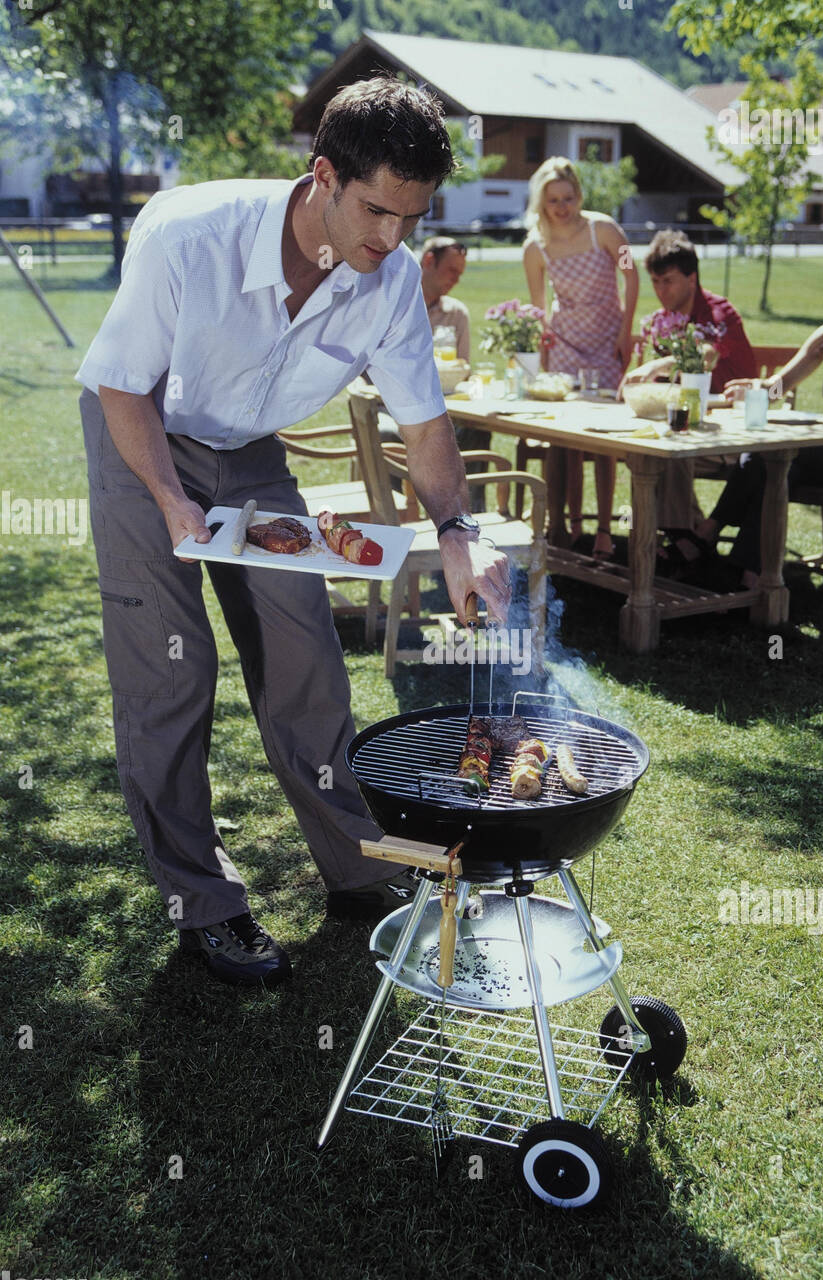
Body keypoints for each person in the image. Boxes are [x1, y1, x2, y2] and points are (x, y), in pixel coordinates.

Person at [75, 77, 511, 989]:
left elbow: (424, 427)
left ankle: (356, 867)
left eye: (412, 218)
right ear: (322, 175)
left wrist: (459, 531)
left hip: (248, 447)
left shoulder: (388, 279)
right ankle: (203, 902)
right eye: (376, 211)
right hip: (142, 435)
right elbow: (122, 386)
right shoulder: (187, 235)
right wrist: (168, 502)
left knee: (306, 655)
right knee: (171, 668)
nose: (392, 240)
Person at [680, 251, 823, 588]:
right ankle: (748, 574)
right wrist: (754, 389)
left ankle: (708, 535)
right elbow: (782, 385)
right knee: (776, 467)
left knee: (774, 456)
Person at [523, 157, 638, 558]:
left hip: (608, 339)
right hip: (567, 344)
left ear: (579, 196)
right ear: (542, 202)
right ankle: (568, 527)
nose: (562, 206)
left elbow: (632, 274)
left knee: (604, 440)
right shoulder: (535, 248)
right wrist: (538, 364)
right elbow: (538, 310)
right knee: (568, 439)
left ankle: (604, 530)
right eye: (553, 199)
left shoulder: (603, 229)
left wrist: (627, 332)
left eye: (568, 197)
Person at [621, 229, 757, 555]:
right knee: (644, 448)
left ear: (691, 278)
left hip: (734, 429)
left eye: (667, 281)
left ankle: (681, 540)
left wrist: (658, 365)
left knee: (666, 449)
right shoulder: (664, 320)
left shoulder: (718, 312)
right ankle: (686, 536)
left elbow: (708, 354)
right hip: (694, 425)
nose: (660, 290)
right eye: (654, 281)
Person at [378, 235, 491, 505]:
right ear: (429, 261)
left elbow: (462, 370)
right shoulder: (390, 305)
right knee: (384, 433)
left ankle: (470, 516)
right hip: (389, 407)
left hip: (442, 408)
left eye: (461, 274)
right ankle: (394, 514)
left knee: (477, 431)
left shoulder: (457, 314)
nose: (456, 280)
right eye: (452, 270)